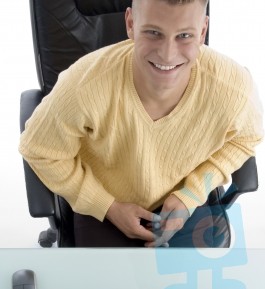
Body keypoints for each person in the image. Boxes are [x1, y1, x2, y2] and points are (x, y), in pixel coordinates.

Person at [19, 0, 263, 248]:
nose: (168, 54)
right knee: (102, 287)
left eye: (184, 36)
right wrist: (107, 207)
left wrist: (192, 193)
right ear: (131, 24)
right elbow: (38, 148)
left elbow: (247, 138)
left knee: (200, 288)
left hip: (186, 200)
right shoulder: (84, 85)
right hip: (105, 201)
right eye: (154, 33)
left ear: (202, 31)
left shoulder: (231, 88)